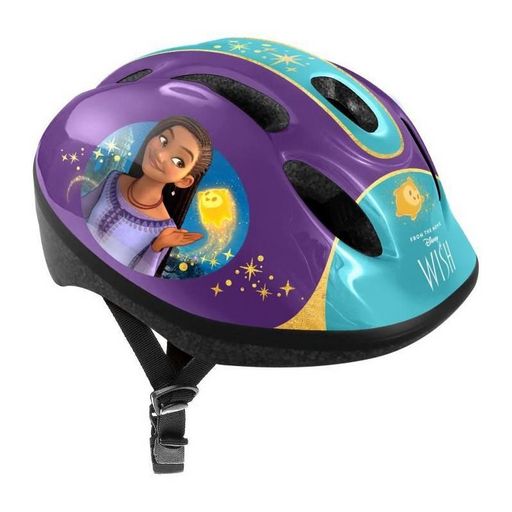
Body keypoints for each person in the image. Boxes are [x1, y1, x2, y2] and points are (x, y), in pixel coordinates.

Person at [83, 116, 213, 276]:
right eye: (163, 140)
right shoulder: (114, 179)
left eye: (178, 161)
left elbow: (142, 277)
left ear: (184, 181)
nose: (160, 155)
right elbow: (79, 213)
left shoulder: (164, 229)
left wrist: (157, 247)